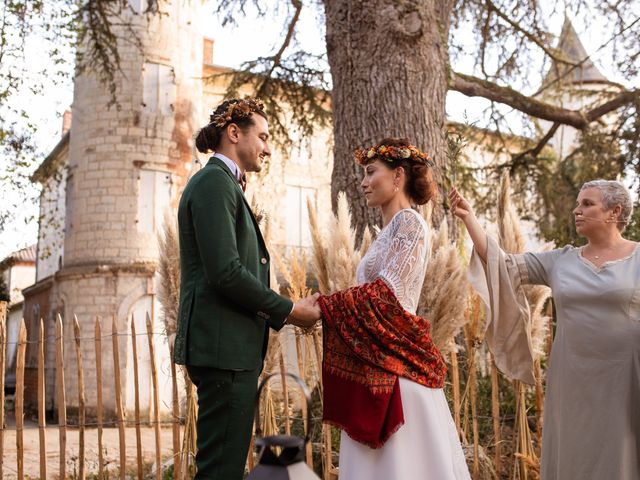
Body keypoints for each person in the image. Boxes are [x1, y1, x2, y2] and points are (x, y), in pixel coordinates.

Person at [450, 180, 640, 480]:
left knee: (624, 450)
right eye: (577, 203)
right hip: (572, 377)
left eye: (587, 204)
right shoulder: (561, 261)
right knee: (574, 450)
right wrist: (469, 218)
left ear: (615, 211)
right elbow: (504, 264)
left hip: (626, 377)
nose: (576, 210)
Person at [173, 97, 321, 480]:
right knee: (220, 471)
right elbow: (225, 272)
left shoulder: (222, 185)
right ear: (234, 133)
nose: (268, 148)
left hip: (230, 350)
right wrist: (290, 310)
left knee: (224, 466)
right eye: (264, 136)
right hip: (225, 351)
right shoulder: (213, 184)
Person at [316, 138, 470, 479]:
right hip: (380, 357)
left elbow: (387, 296)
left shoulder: (408, 224)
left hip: (397, 365)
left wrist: (326, 307)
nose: (363, 181)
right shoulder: (389, 231)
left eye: (371, 172)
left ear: (398, 176)